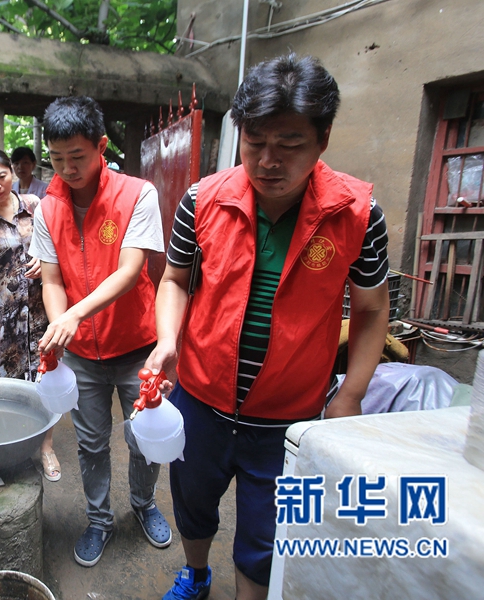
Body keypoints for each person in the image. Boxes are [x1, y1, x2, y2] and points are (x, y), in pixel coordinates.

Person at [146, 54, 391, 600]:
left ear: (322, 140)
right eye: (254, 141)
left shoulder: (358, 214)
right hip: (201, 398)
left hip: (289, 415)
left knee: (267, 533)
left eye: (289, 144)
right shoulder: (201, 199)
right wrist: (167, 341)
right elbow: (175, 281)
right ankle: (197, 574)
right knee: (192, 502)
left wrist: (349, 394)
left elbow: (372, 310)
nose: (267, 161)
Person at [30, 96, 171, 567]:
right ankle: (98, 519)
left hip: (136, 346)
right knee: (90, 442)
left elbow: (131, 270)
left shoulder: (138, 194)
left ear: (102, 146)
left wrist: (73, 315)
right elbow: (51, 279)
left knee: (142, 436)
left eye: (78, 157)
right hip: (82, 357)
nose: (67, 168)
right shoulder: (47, 209)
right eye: (57, 158)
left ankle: (144, 504)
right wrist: (59, 321)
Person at [0, 148, 60, 481]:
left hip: (40, 313)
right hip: (1, 321)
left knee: (46, 380)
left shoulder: (37, 207)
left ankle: (46, 447)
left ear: (12, 173)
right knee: (6, 385)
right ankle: (11, 448)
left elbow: (59, 249)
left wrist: (46, 261)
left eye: (2, 175)